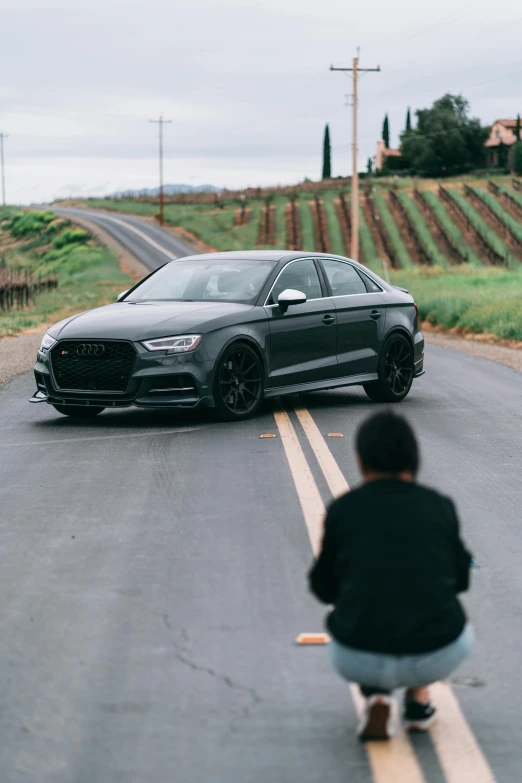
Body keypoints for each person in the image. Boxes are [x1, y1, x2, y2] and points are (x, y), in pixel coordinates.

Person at [309, 410, 473, 741]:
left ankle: (376, 695)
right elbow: (461, 580)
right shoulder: (439, 506)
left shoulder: (344, 509)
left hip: (358, 656)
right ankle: (418, 702)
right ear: (414, 458)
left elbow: (323, 587)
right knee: (435, 613)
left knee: (366, 608)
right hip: (435, 653)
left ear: (360, 460)